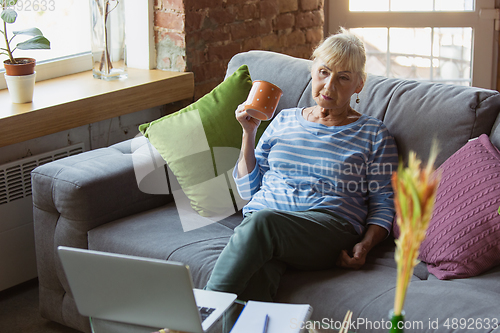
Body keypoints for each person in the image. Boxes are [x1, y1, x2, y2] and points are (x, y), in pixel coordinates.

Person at [205, 28, 399, 302]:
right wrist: (248, 133)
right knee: (254, 284)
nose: (329, 86)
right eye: (324, 72)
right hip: (263, 227)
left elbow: (383, 203)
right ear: (312, 71)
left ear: (359, 84)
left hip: (327, 229)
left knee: (263, 224)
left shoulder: (373, 134)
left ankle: (198, 316)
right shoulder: (284, 119)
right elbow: (249, 188)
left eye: (343, 78)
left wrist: (365, 246)